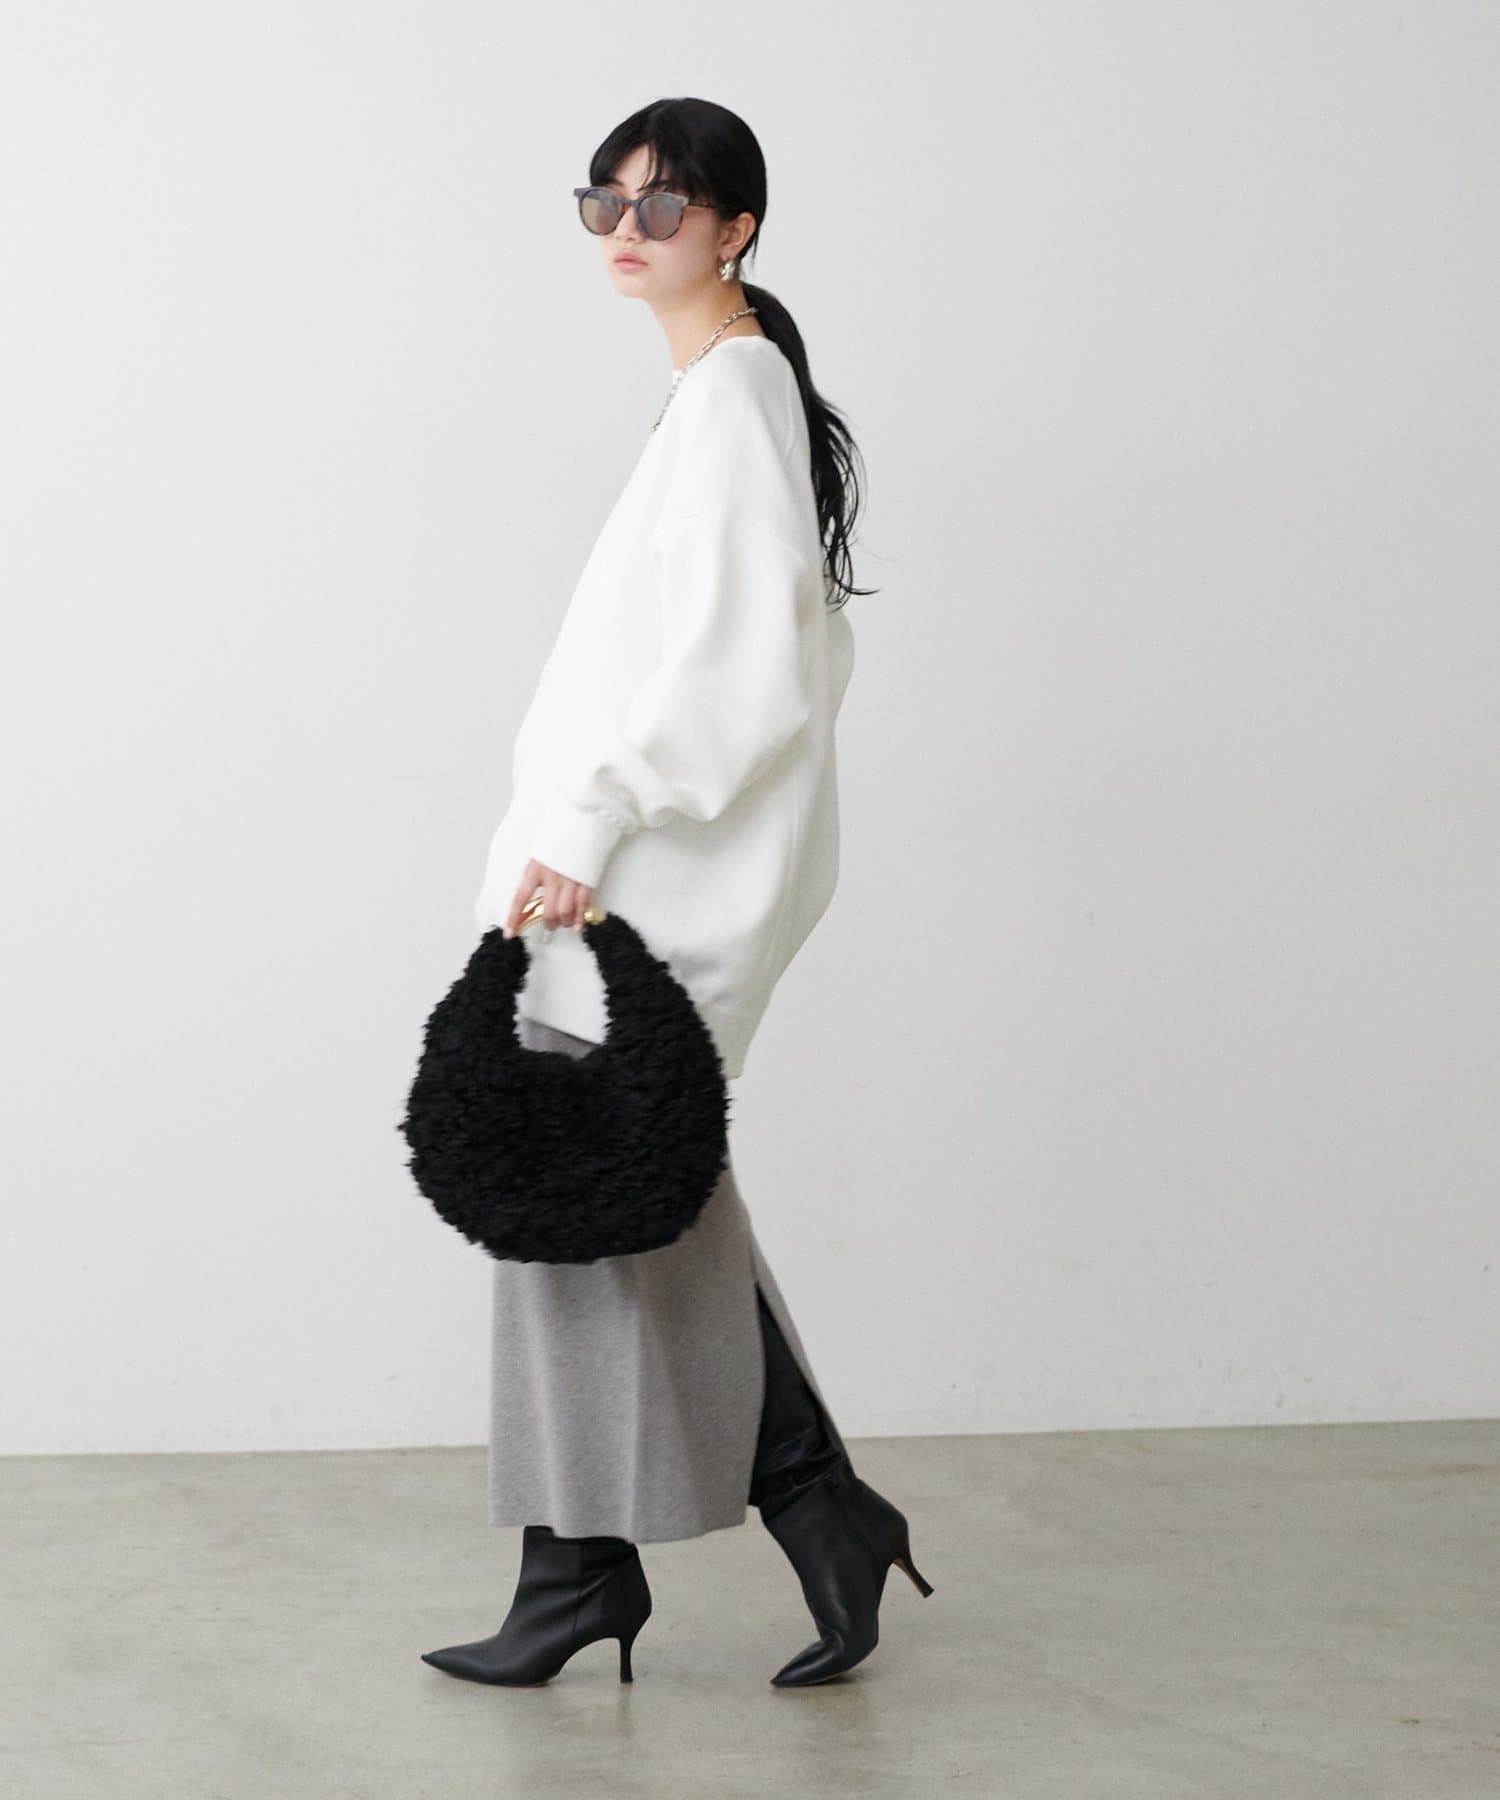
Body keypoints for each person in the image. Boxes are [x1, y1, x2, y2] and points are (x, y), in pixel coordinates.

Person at [421, 97, 932, 1691]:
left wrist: (596, 811)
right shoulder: (719, 395)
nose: (628, 230)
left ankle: (593, 1571)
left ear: (737, 229)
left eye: (666, 204)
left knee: (583, 1205)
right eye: (607, 202)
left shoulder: (731, 398)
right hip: (623, 874)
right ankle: (793, 1520)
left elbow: (747, 675)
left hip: (639, 882)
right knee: (640, 1211)